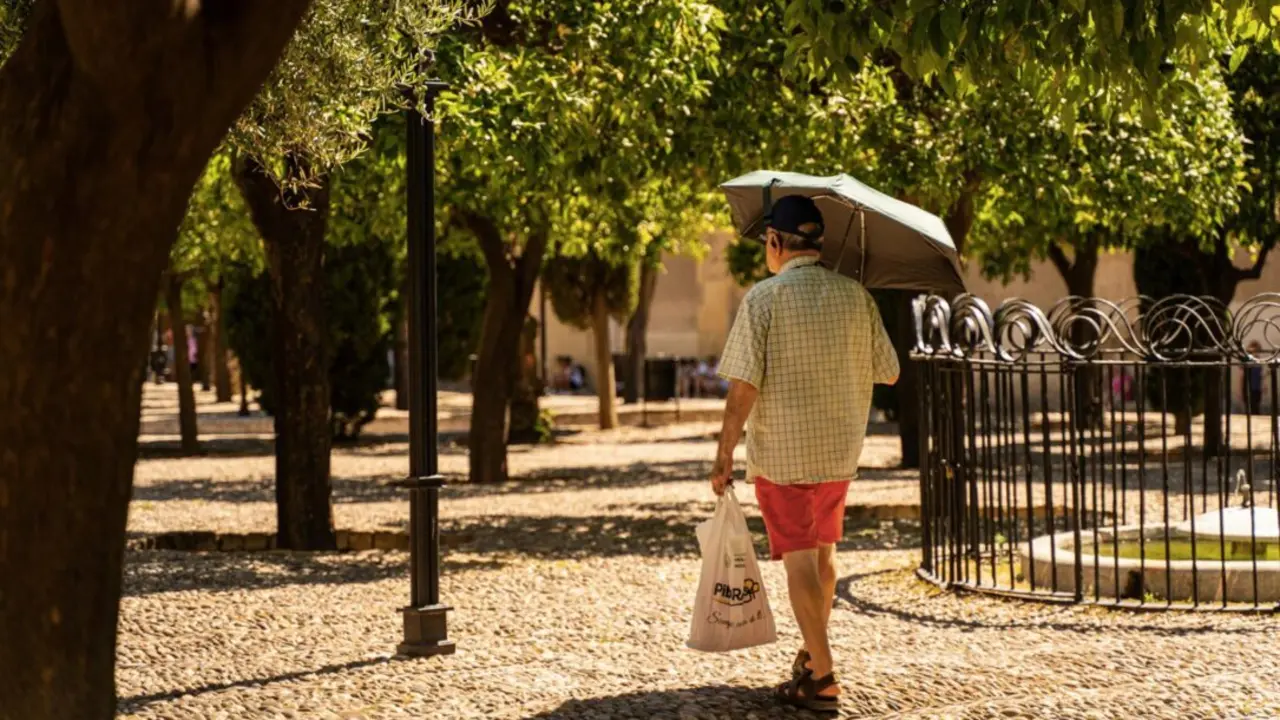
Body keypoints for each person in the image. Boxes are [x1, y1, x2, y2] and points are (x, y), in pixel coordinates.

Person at [709, 194, 898, 713]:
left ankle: (824, 676)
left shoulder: (764, 299)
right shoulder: (856, 296)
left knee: (799, 561)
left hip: (783, 454)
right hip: (839, 451)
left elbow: (743, 386)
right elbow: (889, 371)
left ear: (775, 241)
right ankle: (813, 659)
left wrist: (724, 454)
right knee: (823, 556)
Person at [1245, 341, 1263, 414]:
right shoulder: (1248, 359)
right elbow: (1242, 375)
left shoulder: (1259, 360)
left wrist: (1263, 385)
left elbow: (1260, 374)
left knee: (1256, 406)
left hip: (1257, 387)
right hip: (1249, 386)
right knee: (1250, 407)